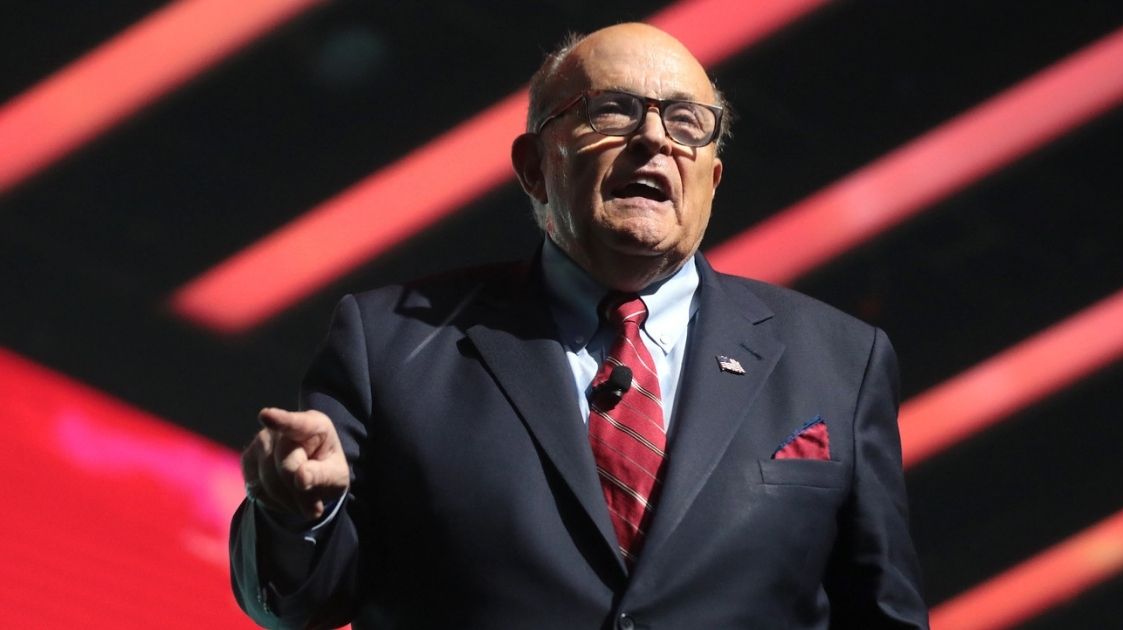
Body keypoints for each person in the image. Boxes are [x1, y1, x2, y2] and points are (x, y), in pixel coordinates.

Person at [231, 22, 928, 629]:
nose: (654, 138)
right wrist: (299, 516)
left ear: (712, 180)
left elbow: (882, 612)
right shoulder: (390, 340)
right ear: (534, 166)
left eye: (686, 123)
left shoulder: (840, 360)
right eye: (613, 111)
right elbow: (298, 603)